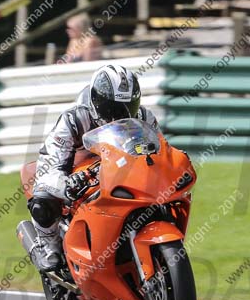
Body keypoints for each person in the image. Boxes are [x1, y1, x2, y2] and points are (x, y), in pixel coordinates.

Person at [25, 64, 158, 271]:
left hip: (122, 170)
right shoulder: (74, 119)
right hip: (77, 169)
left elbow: (159, 150)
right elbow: (51, 161)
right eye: (111, 108)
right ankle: (49, 247)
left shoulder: (144, 117)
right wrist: (65, 183)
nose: (119, 115)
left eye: (127, 107)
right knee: (42, 198)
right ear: (97, 101)